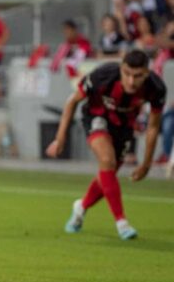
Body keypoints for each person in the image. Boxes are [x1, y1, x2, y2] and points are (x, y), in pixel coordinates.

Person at [46, 50, 167, 240]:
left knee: (107, 174)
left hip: (125, 126)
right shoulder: (103, 75)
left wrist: (146, 164)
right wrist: (60, 137)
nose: (131, 81)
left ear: (147, 73)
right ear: (121, 69)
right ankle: (122, 222)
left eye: (137, 76)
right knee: (107, 160)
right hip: (97, 117)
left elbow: (153, 127)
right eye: (126, 73)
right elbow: (72, 101)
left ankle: (81, 208)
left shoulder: (156, 88)